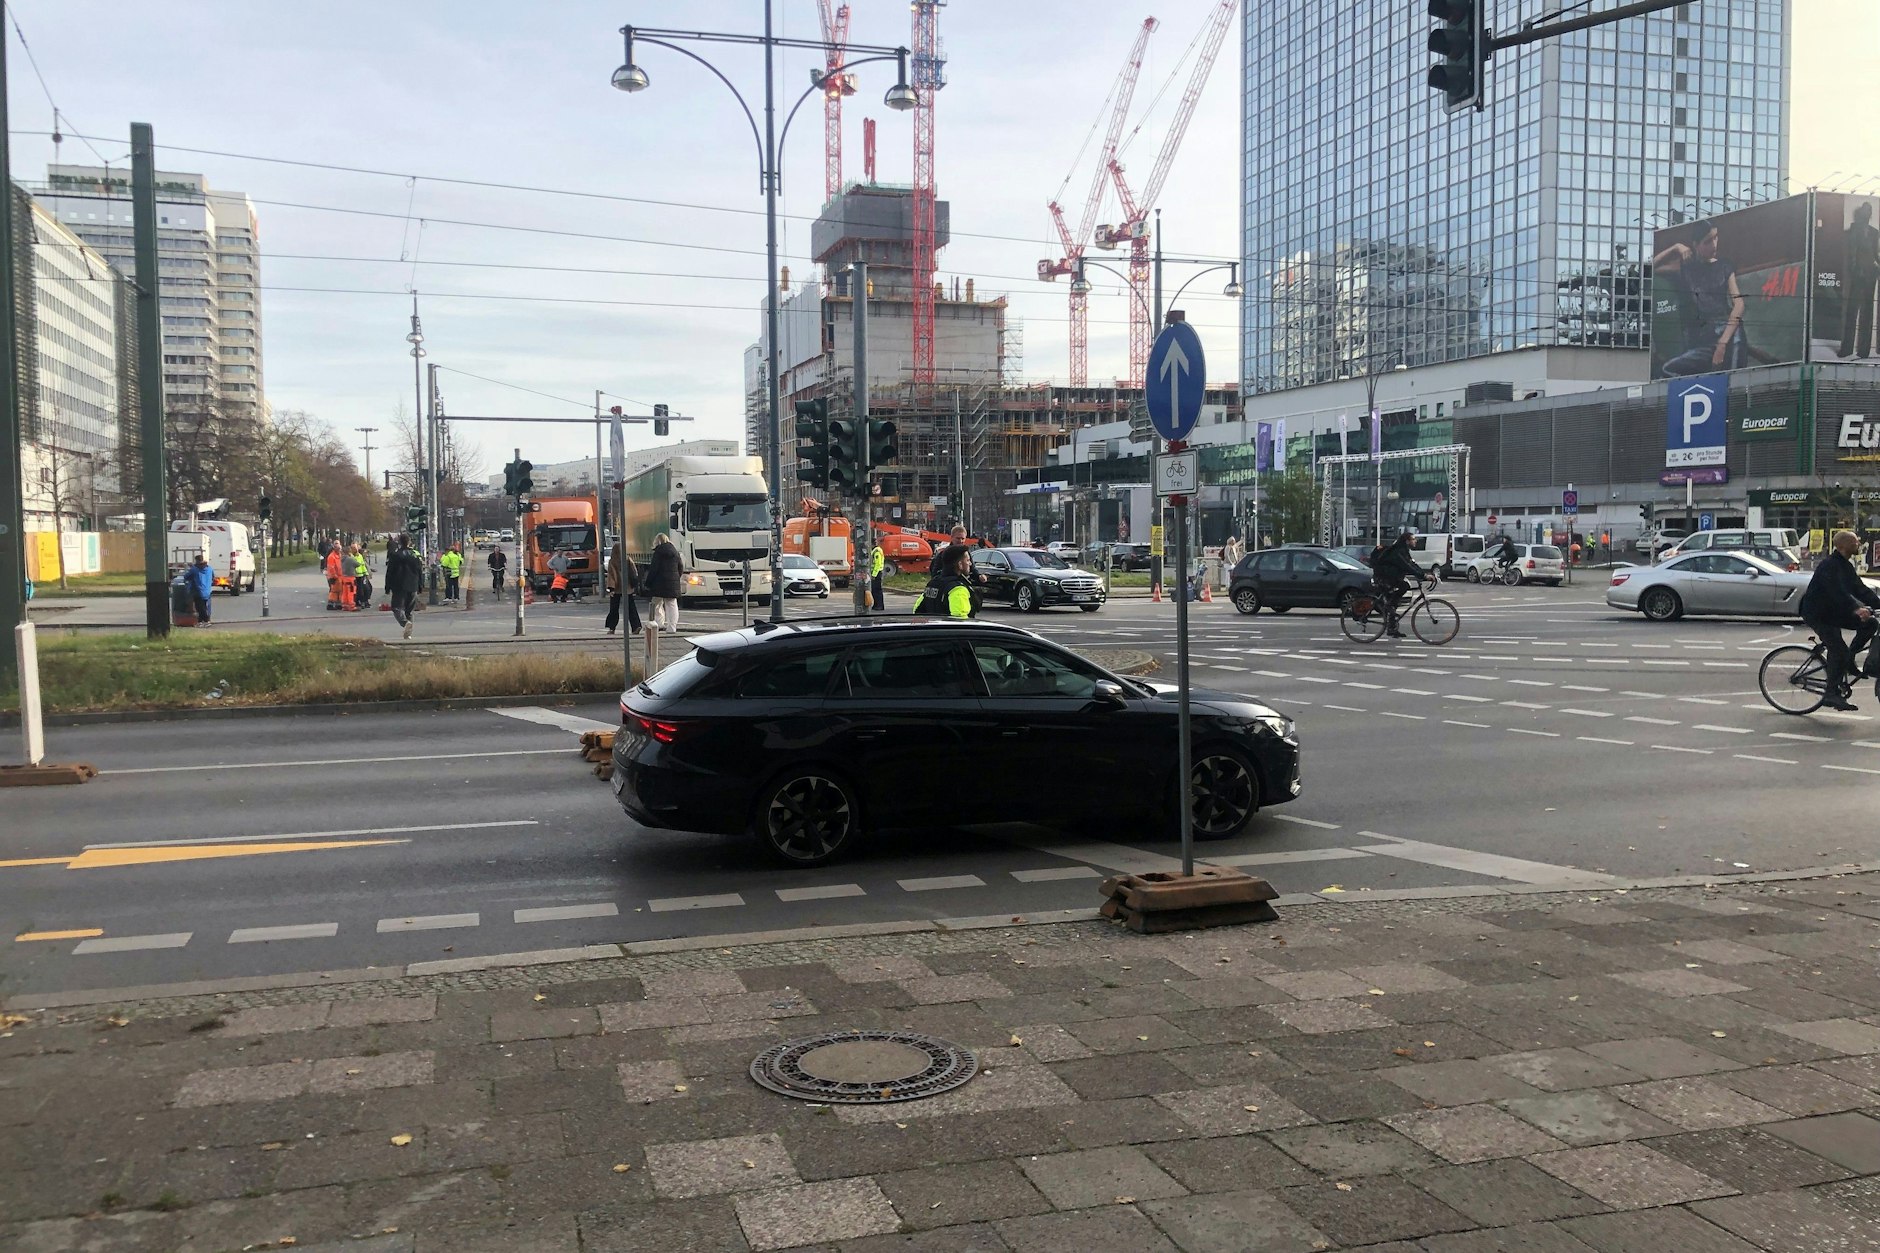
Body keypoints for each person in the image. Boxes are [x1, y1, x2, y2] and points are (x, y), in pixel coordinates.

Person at [1800, 530, 1880, 711]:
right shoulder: (1829, 565)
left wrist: (1878, 603)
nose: (1858, 544)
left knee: (1871, 624)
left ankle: (1850, 658)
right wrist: (1856, 608)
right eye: (1855, 542)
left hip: (1833, 612)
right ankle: (1831, 694)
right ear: (1843, 545)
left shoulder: (1845, 565)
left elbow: (1859, 589)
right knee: (1838, 650)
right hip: (1819, 614)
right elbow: (1836, 592)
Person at [1654, 220, 1747, 376]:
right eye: (1708, 242)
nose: (1714, 245)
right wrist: (1676, 247)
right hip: (1704, 339)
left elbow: (1739, 304)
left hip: (1730, 334)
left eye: (1715, 238)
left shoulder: (1724, 265)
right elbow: (1651, 268)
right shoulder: (1685, 268)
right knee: (1668, 370)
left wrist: (1722, 344)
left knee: (1734, 382)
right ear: (1696, 245)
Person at [1840, 201, 1879, 360]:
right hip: (1857, 275)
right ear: (1860, 214)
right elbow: (1851, 253)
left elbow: (1876, 253)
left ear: (1871, 215)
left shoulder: (1875, 232)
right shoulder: (1853, 230)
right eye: (1864, 211)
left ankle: (1864, 351)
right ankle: (1846, 349)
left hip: (1871, 274)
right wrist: (1855, 270)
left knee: (1867, 313)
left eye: (1869, 212)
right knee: (1851, 311)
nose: (1867, 214)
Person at [1370, 529, 1423, 639]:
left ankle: (1392, 628)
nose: (1415, 541)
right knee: (1404, 587)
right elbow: (1406, 566)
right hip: (1383, 578)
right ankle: (1388, 607)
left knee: (1396, 599)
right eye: (1413, 539)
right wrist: (1423, 576)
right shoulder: (1398, 552)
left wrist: (1424, 574)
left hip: (1390, 578)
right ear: (1407, 541)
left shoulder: (1404, 551)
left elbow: (1412, 564)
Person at [920, 544, 977, 618]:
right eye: (968, 560)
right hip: (947, 629)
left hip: (930, 628)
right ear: (960, 565)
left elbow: (917, 610)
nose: (970, 563)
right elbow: (960, 621)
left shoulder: (932, 583)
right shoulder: (957, 589)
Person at [385, 535, 425, 640]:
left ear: (399, 542)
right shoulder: (415, 555)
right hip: (413, 585)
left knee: (397, 607)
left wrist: (387, 587)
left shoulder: (395, 555)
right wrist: (420, 585)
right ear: (409, 542)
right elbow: (419, 572)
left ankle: (405, 623)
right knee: (409, 610)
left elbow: (390, 572)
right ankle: (408, 633)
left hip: (399, 585)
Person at [645, 532, 683, 634]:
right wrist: (676, 578)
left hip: (659, 584)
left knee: (655, 604)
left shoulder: (658, 552)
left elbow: (654, 569)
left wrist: (648, 583)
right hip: (672, 583)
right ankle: (672, 627)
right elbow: (680, 567)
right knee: (671, 604)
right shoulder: (675, 552)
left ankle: (658, 624)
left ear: (657, 541)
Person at [604, 539, 641, 635]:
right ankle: (636, 626)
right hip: (627, 587)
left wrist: (611, 588)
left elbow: (612, 576)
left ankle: (612, 628)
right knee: (631, 607)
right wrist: (634, 584)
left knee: (614, 609)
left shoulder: (613, 561)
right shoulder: (628, 559)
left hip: (616, 588)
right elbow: (634, 572)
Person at [186, 553, 214, 626]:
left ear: (197, 561)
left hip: (198, 591)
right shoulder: (210, 569)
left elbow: (187, 577)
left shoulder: (195, 570)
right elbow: (213, 577)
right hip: (207, 591)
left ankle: (206, 620)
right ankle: (200, 622)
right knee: (204, 606)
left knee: (200, 608)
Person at [347, 543, 371, 609]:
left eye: (356, 548)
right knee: (358, 590)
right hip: (354, 576)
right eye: (353, 548)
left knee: (366, 589)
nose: (355, 549)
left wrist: (366, 574)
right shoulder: (350, 556)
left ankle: (364, 601)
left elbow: (363, 565)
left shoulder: (359, 556)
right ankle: (359, 601)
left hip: (361, 575)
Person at [323, 541, 344, 611]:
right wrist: (335, 576)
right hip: (334, 577)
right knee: (334, 591)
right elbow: (331, 568)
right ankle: (331, 604)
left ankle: (338, 604)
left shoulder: (338, 555)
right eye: (339, 549)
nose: (340, 550)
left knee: (339, 591)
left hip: (339, 576)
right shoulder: (332, 556)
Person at [869, 540, 886, 611]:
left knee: (877, 590)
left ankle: (879, 606)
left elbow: (877, 564)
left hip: (877, 573)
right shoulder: (875, 550)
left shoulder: (877, 551)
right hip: (876, 573)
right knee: (875, 590)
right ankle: (877, 605)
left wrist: (874, 575)